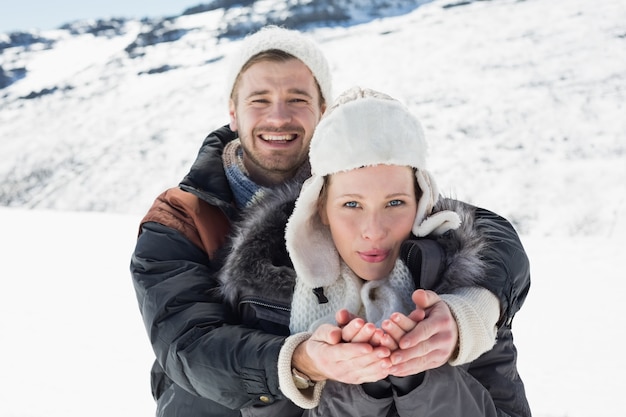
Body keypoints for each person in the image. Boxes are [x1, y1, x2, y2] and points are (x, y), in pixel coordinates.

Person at [130, 26, 530, 417]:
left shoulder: (353, 176)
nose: (278, 117)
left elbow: (485, 232)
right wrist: (302, 360)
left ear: (323, 111)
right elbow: (189, 345)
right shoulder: (179, 217)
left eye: (298, 98)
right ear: (232, 111)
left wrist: (472, 310)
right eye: (259, 99)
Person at [217, 86, 511, 416]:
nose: (373, 230)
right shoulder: (266, 296)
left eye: (395, 203)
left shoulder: (464, 295)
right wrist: (349, 383)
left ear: (422, 203)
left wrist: (421, 376)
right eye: (352, 204)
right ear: (321, 209)